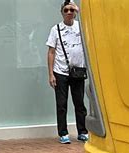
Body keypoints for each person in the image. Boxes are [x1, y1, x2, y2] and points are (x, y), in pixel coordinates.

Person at [46, 1, 88, 144]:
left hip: (78, 71)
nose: (69, 12)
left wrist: (79, 9)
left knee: (80, 103)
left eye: (72, 10)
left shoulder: (82, 27)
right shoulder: (55, 29)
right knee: (62, 104)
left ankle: (82, 131)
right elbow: (51, 52)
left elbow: (93, 26)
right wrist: (51, 74)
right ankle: (63, 133)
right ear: (62, 12)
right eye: (66, 10)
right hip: (60, 71)